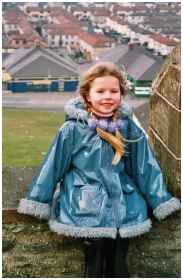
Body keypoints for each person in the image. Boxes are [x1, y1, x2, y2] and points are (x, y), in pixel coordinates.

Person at [18, 62, 181, 277]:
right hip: (84, 204)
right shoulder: (72, 129)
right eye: (100, 91)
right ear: (87, 95)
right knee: (93, 265)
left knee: (119, 264)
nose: (107, 96)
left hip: (124, 204)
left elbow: (144, 166)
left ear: (121, 94)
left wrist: (161, 200)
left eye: (114, 91)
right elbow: (53, 166)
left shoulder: (128, 127)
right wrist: (37, 201)